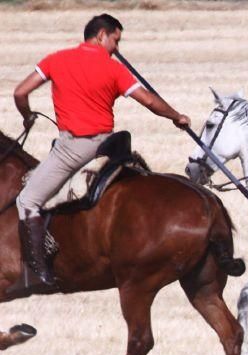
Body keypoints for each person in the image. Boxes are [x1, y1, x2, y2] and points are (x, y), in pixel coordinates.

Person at [10, 13, 191, 295]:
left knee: (27, 200)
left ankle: (39, 272)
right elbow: (149, 100)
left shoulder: (56, 60)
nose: (116, 48)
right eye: (115, 41)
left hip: (73, 148)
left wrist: (27, 115)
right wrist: (176, 116)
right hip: (108, 146)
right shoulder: (114, 69)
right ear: (101, 36)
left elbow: (20, 92)